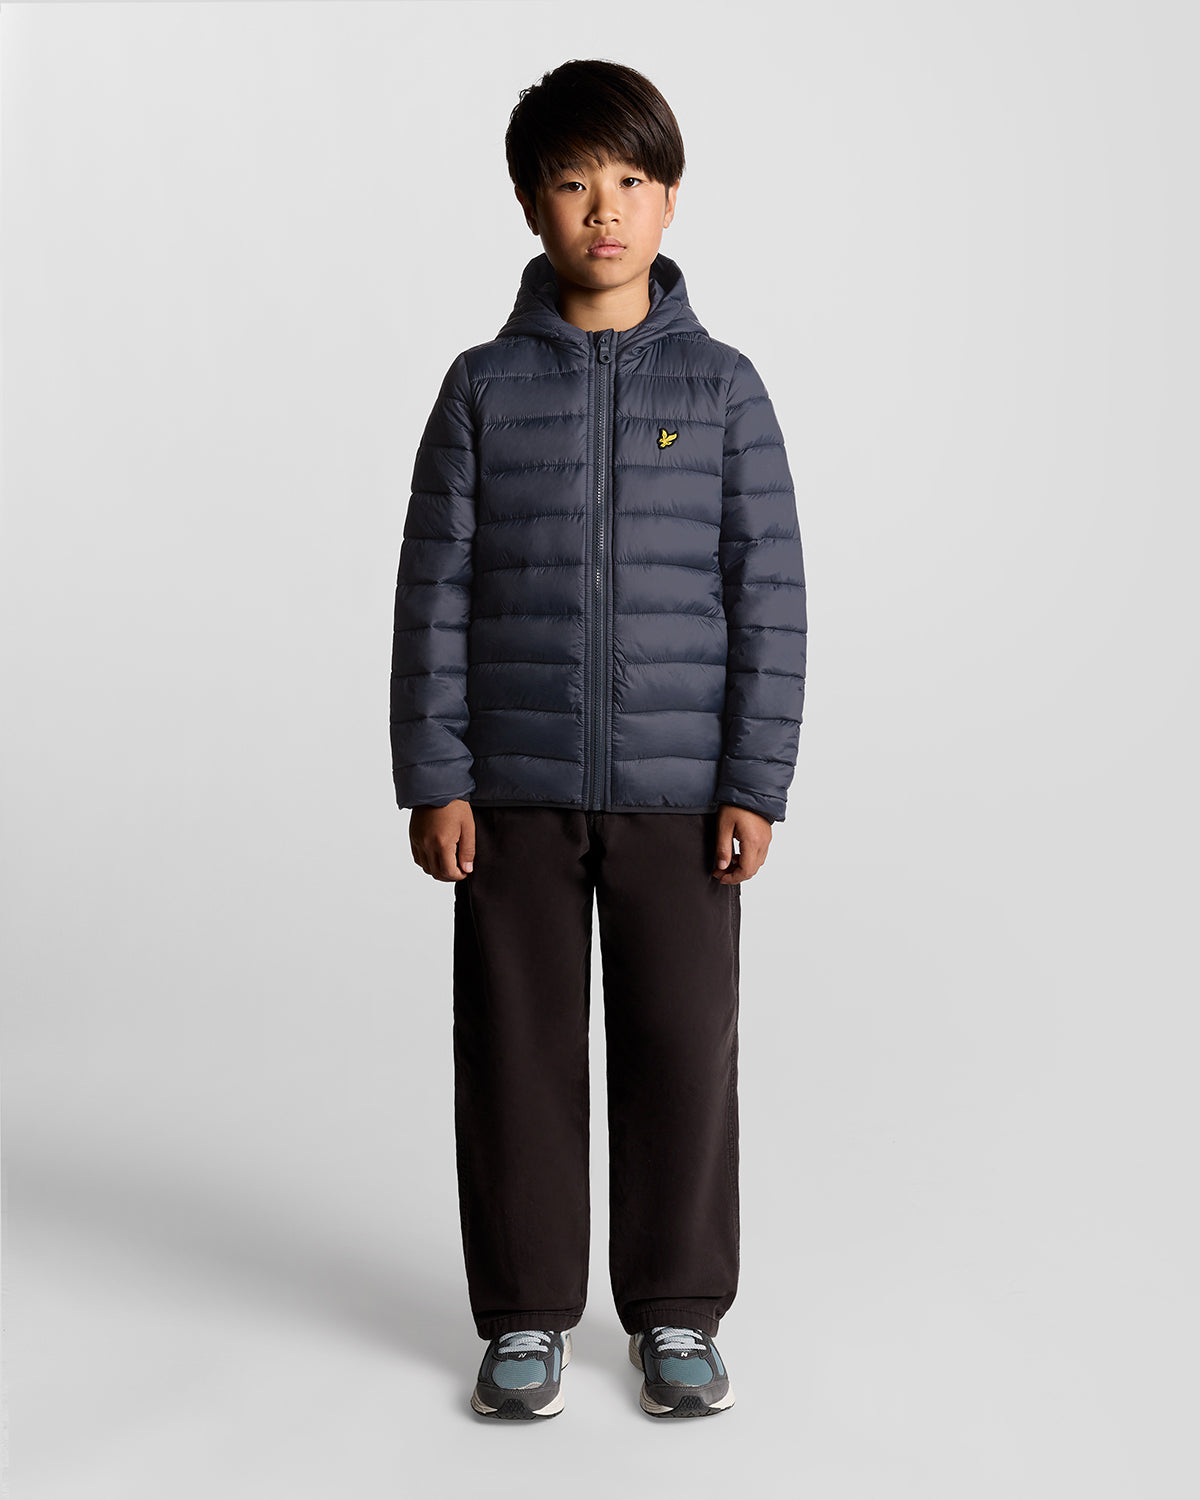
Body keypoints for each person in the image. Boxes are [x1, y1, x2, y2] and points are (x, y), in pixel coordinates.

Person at [389, 58, 807, 1420]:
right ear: (531, 204)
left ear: (671, 198)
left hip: (682, 797)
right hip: (508, 792)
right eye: (573, 183)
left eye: (630, 180)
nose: (604, 209)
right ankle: (523, 1318)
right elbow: (433, 592)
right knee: (516, 1057)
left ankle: (679, 1310)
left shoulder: (727, 391)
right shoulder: (480, 389)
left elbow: (770, 592)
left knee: (682, 1051)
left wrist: (755, 783)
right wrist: (435, 776)